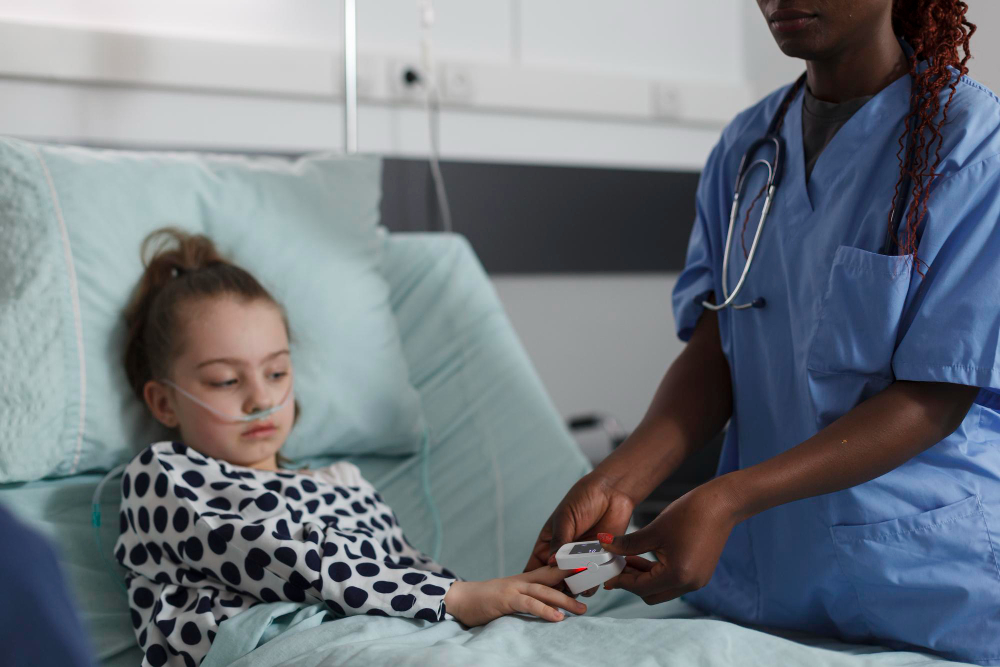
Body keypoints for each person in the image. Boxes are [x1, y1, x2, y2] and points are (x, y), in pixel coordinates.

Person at [526, 1, 1000, 663]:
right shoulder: (748, 148)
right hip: (762, 578)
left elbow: (934, 396)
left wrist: (725, 498)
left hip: (925, 577)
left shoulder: (974, 144)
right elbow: (720, 345)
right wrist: (620, 480)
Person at [116, 228, 586, 667]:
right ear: (164, 402)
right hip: (277, 644)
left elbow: (407, 568)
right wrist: (450, 597)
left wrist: (498, 598)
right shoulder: (162, 476)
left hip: (400, 635)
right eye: (226, 380)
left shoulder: (345, 483)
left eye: (276, 372)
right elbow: (275, 558)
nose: (261, 398)